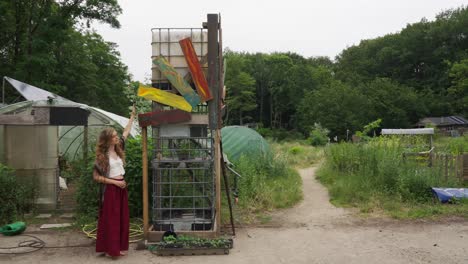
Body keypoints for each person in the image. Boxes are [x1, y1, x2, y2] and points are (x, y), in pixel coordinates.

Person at [93, 105, 135, 258]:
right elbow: (96, 177)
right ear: (107, 139)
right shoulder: (102, 156)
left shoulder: (118, 148)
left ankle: (117, 247)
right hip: (111, 190)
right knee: (111, 220)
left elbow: (126, 132)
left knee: (121, 219)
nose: (117, 137)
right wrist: (115, 183)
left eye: (117, 136)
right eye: (114, 136)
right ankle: (111, 250)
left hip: (121, 189)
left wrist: (132, 117)